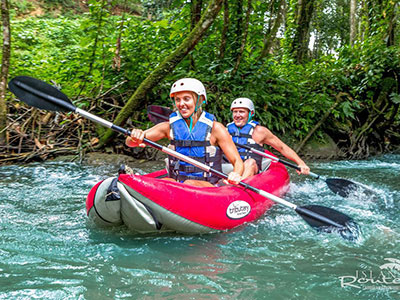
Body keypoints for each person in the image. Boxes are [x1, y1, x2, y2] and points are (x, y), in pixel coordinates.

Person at [126, 78, 244, 187]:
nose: (181, 104)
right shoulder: (168, 127)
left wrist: (236, 173)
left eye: (186, 99)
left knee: (189, 183)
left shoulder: (216, 129)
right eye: (177, 99)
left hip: (209, 186)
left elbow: (237, 161)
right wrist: (135, 136)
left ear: (200, 100)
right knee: (166, 182)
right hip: (177, 184)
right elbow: (130, 143)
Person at [227, 97, 310, 179]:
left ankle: (238, 185)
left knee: (250, 162)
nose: (237, 115)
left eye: (241, 112)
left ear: (251, 113)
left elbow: (282, 148)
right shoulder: (225, 131)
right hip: (229, 167)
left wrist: (300, 163)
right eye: (235, 112)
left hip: (250, 168)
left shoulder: (260, 131)